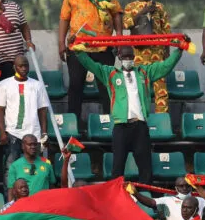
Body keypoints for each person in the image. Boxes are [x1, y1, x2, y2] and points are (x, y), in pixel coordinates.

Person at [77, 45, 183, 184]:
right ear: (119, 57)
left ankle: (146, 196)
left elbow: (165, 66)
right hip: (121, 126)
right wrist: (78, 51)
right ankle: (116, 197)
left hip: (140, 126)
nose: (128, 59)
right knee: (118, 166)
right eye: (125, 57)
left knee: (145, 166)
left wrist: (179, 50)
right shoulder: (110, 73)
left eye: (131, 57)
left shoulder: (144, 72)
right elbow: (91, 65)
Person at [59, 0, 122, 117]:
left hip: (103, 46)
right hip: (78, 48)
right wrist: (61, 43)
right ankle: (73, 122)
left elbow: (116, 13)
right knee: (75, 84)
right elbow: (64, 19)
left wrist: (119, 36)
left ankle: (110, 121)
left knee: (106, 85)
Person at [120, 0, 172, 111]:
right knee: (139, 88)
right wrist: (142, 12)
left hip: (158, 53)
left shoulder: (159, 7)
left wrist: (167, 51)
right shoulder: (130, 7)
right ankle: (141, 120)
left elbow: (166, 30)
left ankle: (162, 121)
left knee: (161, 90)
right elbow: (126, 24)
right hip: (138, 54)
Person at [0, 55, 49, 165]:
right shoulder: (4, 84)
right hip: (13, 132)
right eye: (20, 66)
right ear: (15, 67)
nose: (24, 69)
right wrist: (2, 132)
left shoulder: (37, 85)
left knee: (36, 165)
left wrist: (44, 133)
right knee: (11, 166)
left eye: (26, 66)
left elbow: (42, 110)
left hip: (34, 132)